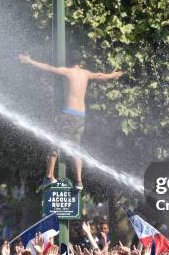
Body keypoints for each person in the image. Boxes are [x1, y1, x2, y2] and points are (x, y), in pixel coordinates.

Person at [19, 51, 122, 191]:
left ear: (69, 61)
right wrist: (112, 75)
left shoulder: (67, 71)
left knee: (55, 143)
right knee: (76, 149)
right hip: (81, 116)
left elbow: (48, 68)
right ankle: (79, 182)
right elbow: (100, 75)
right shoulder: (85, 73)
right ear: (80, 63)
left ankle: (49, 176)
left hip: (68, 115)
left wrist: (30, 61)